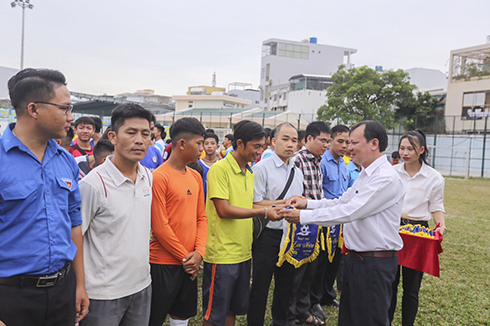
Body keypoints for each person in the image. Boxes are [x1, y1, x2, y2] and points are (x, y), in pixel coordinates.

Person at [281, 120, 405, 326]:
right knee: (350, 318)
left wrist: (302, 217)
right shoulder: (366, 174)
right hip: (358, 260)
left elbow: (349, 211)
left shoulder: (385, 178)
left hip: (374, 264)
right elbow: (342, 201)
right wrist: (307, 204)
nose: (349, 148)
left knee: (369, 320)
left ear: (374, 144)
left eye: (354, 142)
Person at [0, 68, 89, 325]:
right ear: (34, 109)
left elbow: (74, 223)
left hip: (62, 291)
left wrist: (79, 284)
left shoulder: (65, 161)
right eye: (65, 109)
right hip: (11, 295)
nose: (71, 117)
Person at [79, 103, 153, 326]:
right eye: (131, 133)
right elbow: (75, 238)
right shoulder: (92, 184)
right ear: (113, 136)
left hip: (141, 285)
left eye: (145, 134)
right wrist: (79, 286)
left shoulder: (147, 176)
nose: (139, 140)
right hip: (103, 293)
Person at [202, 120, 280, 326]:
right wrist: (264, 212)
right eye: (256, 146)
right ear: (240, 143)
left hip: (244, 253)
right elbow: (224, 210)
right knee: (215, 313)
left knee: (233, 309)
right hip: (222, 253)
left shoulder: (249, 171)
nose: (259, 151)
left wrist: (283, 203)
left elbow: (253, 203)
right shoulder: (220, 170)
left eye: (262, 146)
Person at [149, 117, 208, 326]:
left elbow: (202, 217)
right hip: (163, 263)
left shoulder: (195, 176)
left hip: (190, 262)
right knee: (154, 315)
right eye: (199, 143)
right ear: (182, 144)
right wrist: (187, 259)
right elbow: (160, 226)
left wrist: (199, 253)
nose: (202, 149)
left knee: (182, 315)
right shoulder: (159, 177)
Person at [247, 122, 304, 326]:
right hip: (268, 236)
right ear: (272, 141)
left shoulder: (297, 171)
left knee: (287, 285)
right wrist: (284, 203)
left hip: (291, 236)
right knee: (261, 286)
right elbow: (255, 202)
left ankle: (280, 322)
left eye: (294, 140)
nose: (290, 144)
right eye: (285, 139)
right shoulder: (262, 168)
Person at [388, 130, 447, 326]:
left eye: (410, 149)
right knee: (390, 283)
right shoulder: (392, 172)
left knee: (412, 288)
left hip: (418, 233)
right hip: (392, 228)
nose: (405, 152)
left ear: (421, 150)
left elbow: (437, 206)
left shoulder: (434, 178)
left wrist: (441, 226)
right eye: (402, 148)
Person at [309, 125, 350, 320]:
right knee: (321, 261)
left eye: (347, 142)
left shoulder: (344, 163)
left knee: (335, 260)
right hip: (324, 219)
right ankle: (314, 300)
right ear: (331, 140)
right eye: (340, 141)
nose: (344, 145)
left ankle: (327, 294)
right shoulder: (322, 162)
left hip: (339, 221)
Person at [198, 133, 220, 201]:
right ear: (203, 146)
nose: (209, 146)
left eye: (212, 143)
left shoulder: (221, 165)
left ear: (217, 146)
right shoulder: (197, 165)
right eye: (206, 143)